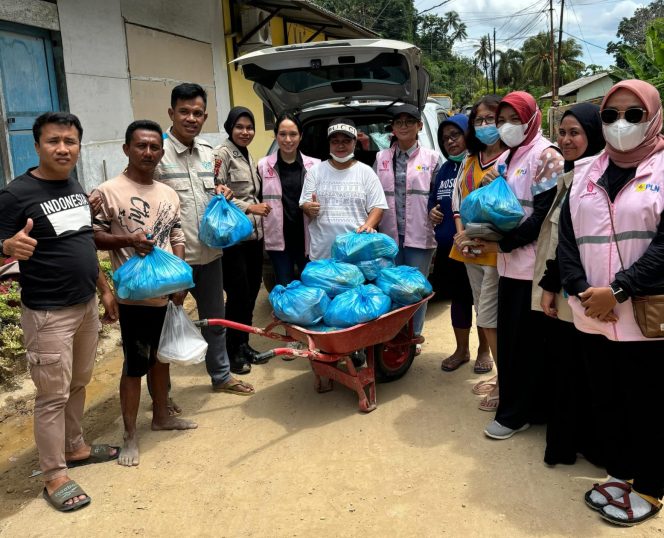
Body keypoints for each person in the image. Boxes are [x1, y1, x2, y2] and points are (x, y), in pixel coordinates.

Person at [0, 112, 119, 512]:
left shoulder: (73, 184)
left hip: (85, 304)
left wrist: (103, 289)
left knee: (79, 381)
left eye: (70, 141)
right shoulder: (15, 194)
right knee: (52, 395)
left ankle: (76, 447)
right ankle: (54, 475)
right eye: (54, 141)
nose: (63, 148)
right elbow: (3, 242)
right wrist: (6, 248)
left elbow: (82, 240)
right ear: (36, 146)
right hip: (49, 312)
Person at [559, 80, 664, 526]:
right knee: (607, 398)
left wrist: (618, 291)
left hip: (644, 316)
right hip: (592, 315)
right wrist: (582, 290)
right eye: (610, 115)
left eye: (633, 114)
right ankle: (621, 473)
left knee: (649, 404)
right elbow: (566, 240)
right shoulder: (585, 172)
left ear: (654, 117)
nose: (620, 124)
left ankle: (652, 486)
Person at [93, 120, 198, 467]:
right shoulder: (108, 191)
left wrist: (180, 279)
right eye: (141, 146)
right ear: (126, 149)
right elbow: (91, 238)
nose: (148, 152)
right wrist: (128, 242)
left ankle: (162, 416)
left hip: (167, 294)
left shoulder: (168, 193)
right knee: (135, 365)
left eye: (154, 147)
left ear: (161, 151)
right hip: (134, 298)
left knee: (162, 358)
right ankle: (130, 435)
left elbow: (178, 236)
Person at [471, 91, 564, 440]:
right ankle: (523, 408)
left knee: (526, 346)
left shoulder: (546, 156)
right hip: (511, 264)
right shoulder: (511, 156)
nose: (506, 126)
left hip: (533, 267)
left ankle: (515, 415)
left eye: (514, 119)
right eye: (501, 120)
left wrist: (502, 242)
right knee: (515, 344)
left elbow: (543, 217)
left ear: (532, 118)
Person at [155, 84, 254, 393]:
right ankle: (163, 395)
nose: (191, 118)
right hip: (173, 259)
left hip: (210, 255)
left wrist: (222, 192)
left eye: (197, 113)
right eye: (184, 112)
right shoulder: (156, 151)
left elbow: (216, 191)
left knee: (216, 321)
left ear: (205, 116)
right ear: (171, 113)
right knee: (166, 326)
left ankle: (221, 376)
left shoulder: (209, 155)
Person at [532, 103, 605, 466]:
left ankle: (590, 442)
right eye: (562, 133)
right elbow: (562, 240)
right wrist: (551, 283)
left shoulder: (598, 178)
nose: (566, 140)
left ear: (594, 134)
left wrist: (554, 281)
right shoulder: (570, 176)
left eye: (575, 132)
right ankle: (567, 441)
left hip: (592, 291)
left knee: (587, 369)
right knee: (566, 366)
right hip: (564, 289)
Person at [448, 97, 508, 412]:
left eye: (491, 118)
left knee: (488, 317)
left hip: (498, 251)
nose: (484, 125)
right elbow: (458, 198)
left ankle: (506, 383)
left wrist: (503, 179)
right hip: (469, 248)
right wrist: (460, 232)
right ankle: (502, 379)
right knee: (485, 315)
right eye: (478, 120)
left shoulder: (512, 158)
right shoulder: (470, 159)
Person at [428, 113, 492, 379]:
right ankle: (461, 350)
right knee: (460, 299)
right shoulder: (443, 170)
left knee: (484, 302)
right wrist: (431, 212)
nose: (450, 142)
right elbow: (435, 201)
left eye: (455, 135)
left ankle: (484, 352)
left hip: (478, 247)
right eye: (445, 138)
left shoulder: (481, 162)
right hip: (451, 250)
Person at [374, 104, 442, 352]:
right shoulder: (381, 158)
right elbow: (374, 196)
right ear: (392, 128)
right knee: (391, 287)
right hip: (389, 236)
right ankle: (394, 335)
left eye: (409, 121)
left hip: (420, 234)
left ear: (419, 126)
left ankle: (413, 337)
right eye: (398, 122)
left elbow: (441, 195)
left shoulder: (432, 158)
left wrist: (438, 212)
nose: (403, 126)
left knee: (416, 289)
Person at [215, 107, 266, 374]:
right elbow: (215, 193)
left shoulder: (247, 155)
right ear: (229, 128)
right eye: (240, 127)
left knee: (251, 292)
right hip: (233, 240)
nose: (245, 132)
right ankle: (231, 351)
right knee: (237, 295)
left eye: (249, 127)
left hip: (254, 238)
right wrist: (249, 208)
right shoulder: (222, 154)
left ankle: (243, 343)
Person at [300, 118, 388, 260]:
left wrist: (368, 225)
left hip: (356, 253)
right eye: (335, 141)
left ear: (355, 142)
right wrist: (308, 208)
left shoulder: (367, 172)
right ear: (329, 144)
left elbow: (378, 207)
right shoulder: (315, 172)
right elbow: (305, 203)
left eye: (346, 141)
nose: (340, 146)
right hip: (323, 255)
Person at [258, 113, 320, 286]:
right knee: (284, 287)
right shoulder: (263, 165)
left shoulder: (315, 165)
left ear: (301, 136)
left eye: (293, 134)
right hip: (278, 241)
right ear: (276, 135)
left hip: (308, 238)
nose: (287, 139)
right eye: (282, 134)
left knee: (311, 287)